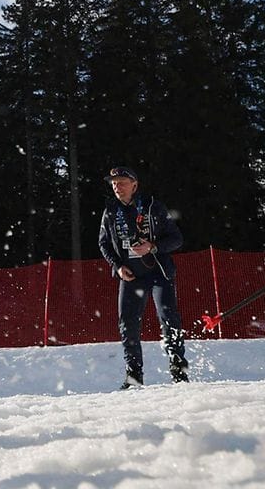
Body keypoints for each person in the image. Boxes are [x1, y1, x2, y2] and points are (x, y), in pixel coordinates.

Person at [97, 166, 188, 389]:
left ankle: (179, 373)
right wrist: (117, 266)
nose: (117, 186)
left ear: (134, 185)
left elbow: (176, 239)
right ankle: (134, 377)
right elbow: (104, 243)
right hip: (130, 276)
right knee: (127, 323)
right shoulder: (110, 211)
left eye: (122, 182)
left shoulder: (152, 206)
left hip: (158, 273)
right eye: (114, 183)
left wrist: (153, 247)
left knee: (168, 318)